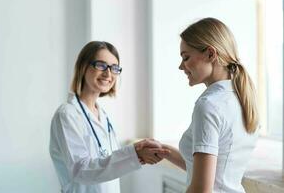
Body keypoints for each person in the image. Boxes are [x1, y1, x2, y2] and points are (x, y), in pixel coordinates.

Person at [143, 17, 259, 193]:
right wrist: (166, 151)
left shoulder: (209, 105)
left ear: (211, 54)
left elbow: (202, 189)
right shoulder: (242, 99)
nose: (181, 66)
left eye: (186, 57)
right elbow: (214, 171)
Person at [49, 41, 168, 193]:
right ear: (83, 67)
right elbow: (81, 170)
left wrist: (136, 151)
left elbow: (105, 159)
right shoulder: (67, 115)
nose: (108, 74)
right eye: (101, 65)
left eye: (114, 68)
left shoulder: (103, 115)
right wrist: (133, 154)